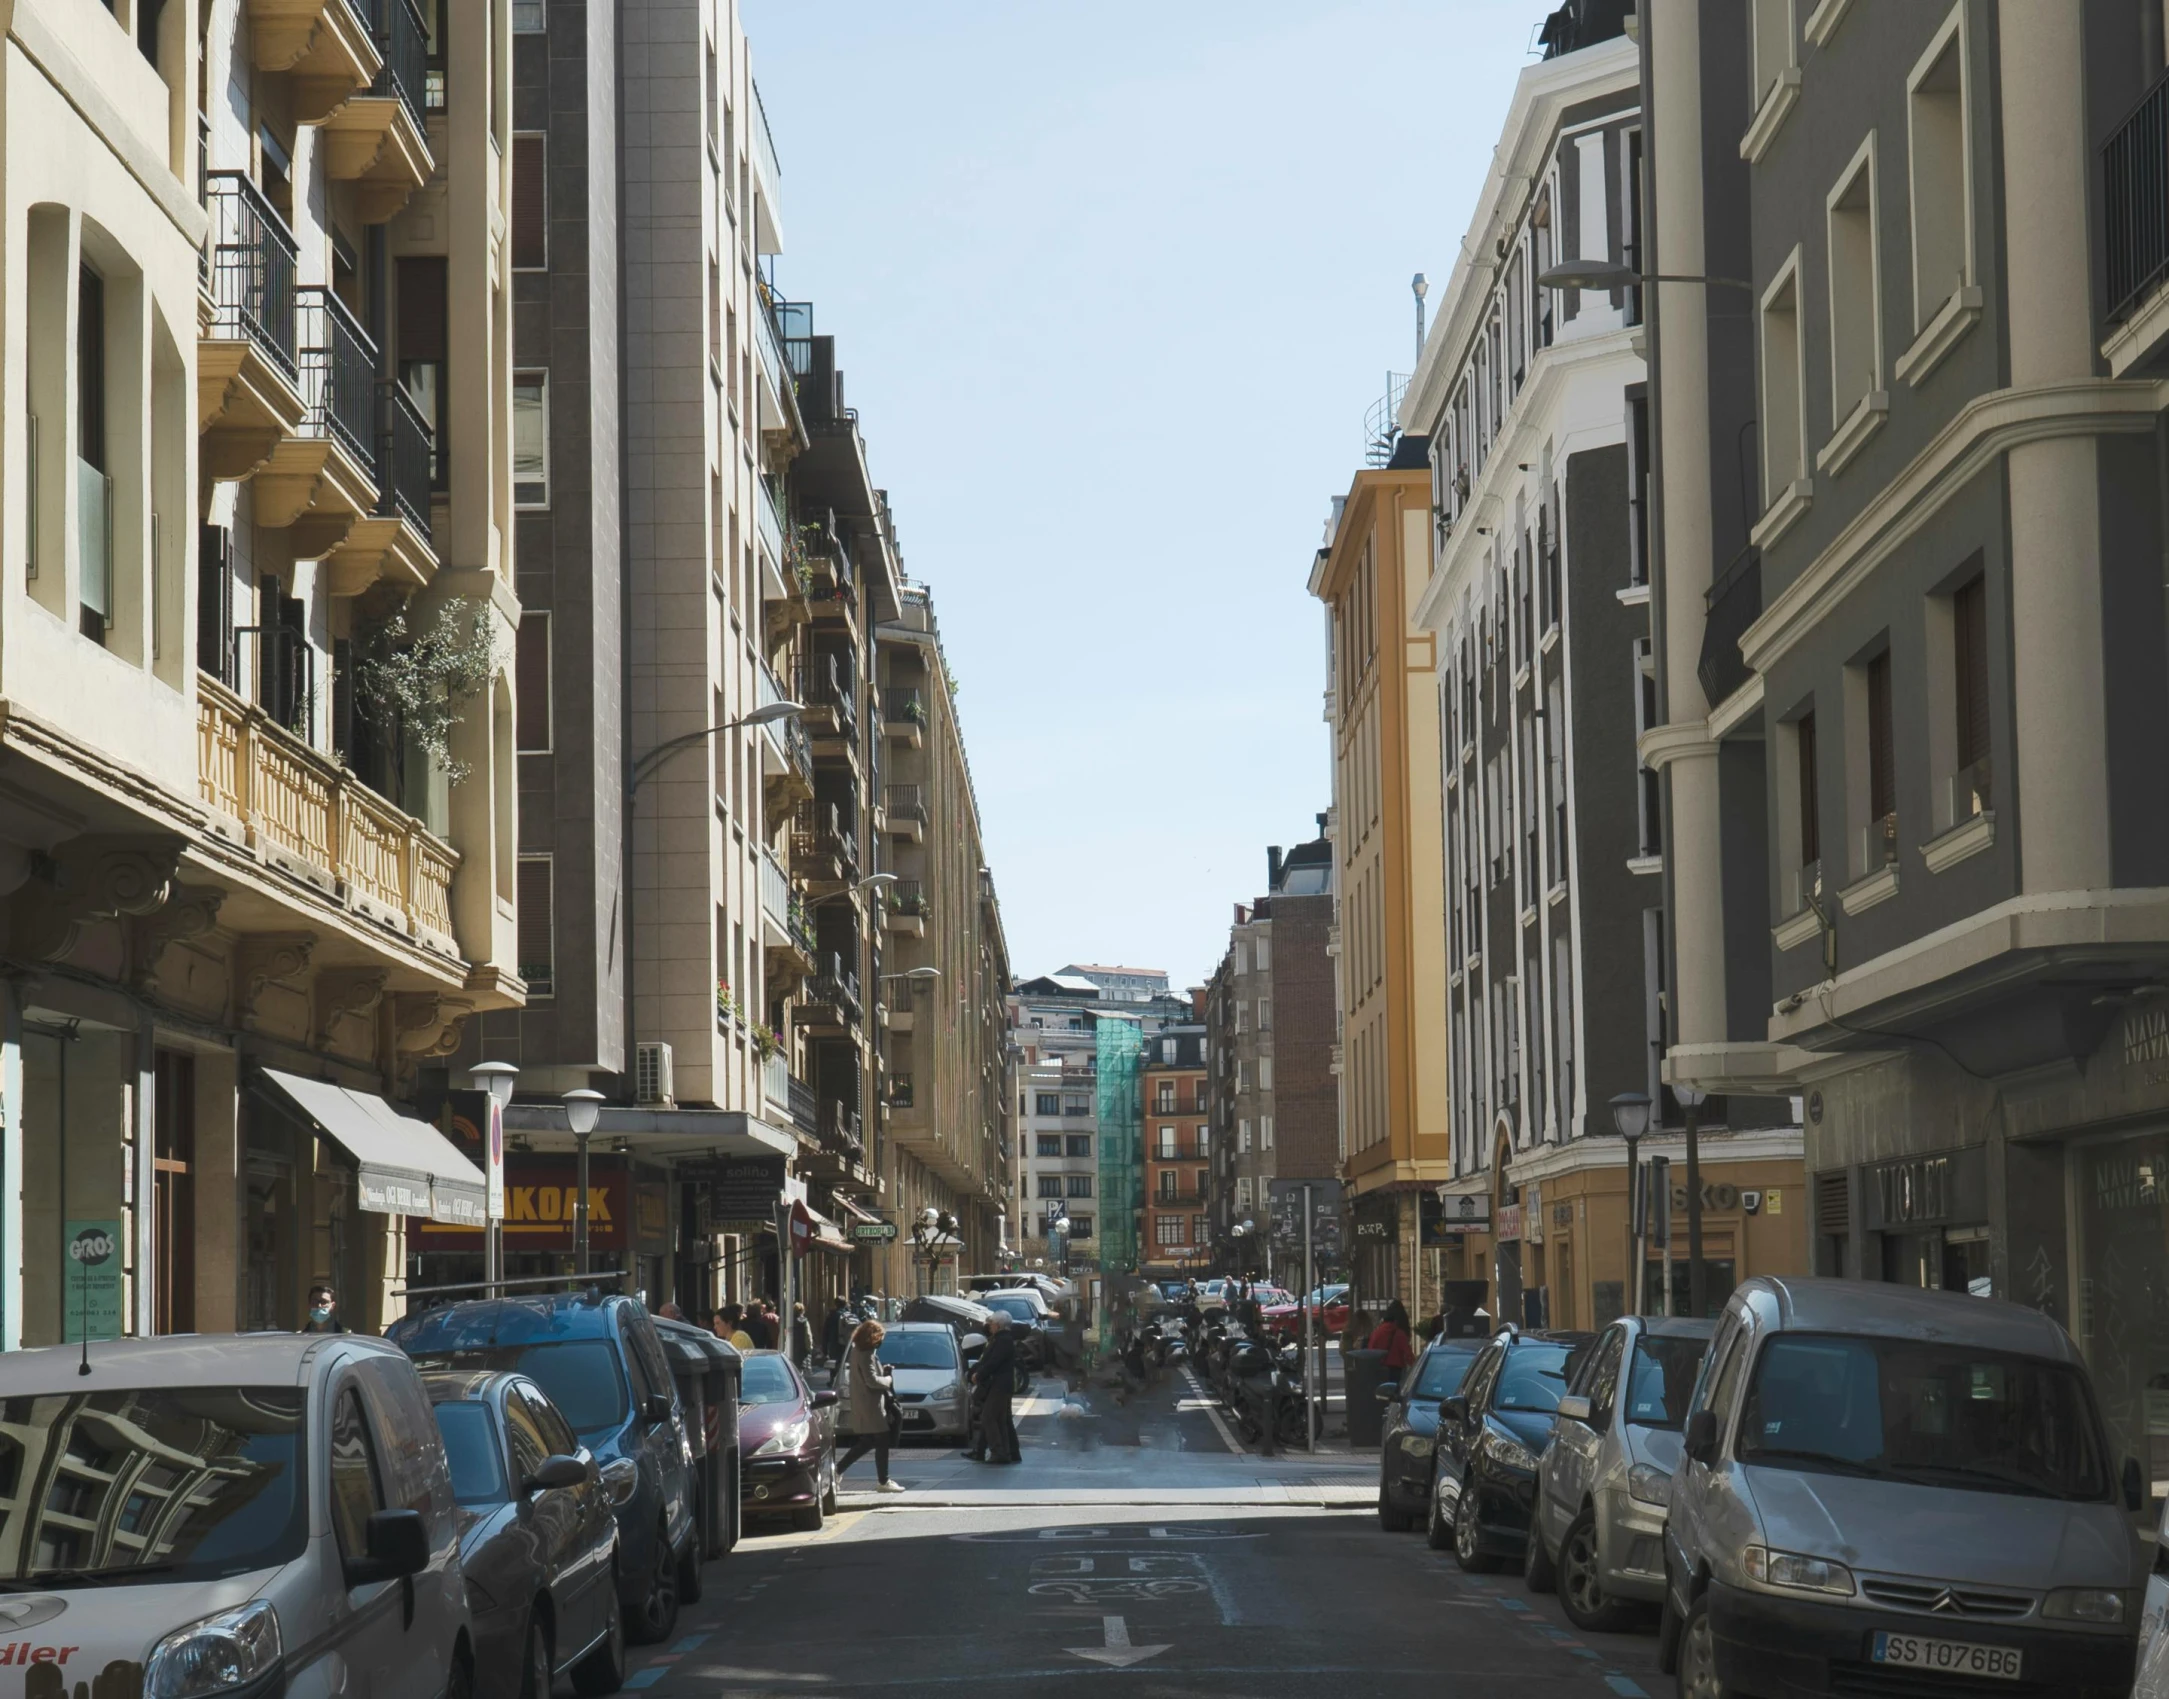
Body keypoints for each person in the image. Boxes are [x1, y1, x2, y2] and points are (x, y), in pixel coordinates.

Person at [835, 1320, 906, 1492]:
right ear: (872, 1337)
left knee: (867, 1442)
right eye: (880, 1337)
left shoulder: (858, 1350)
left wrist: (884, 1370)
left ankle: (837, 1471)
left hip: (865, 1404)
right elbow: (871, 1380)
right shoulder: (866, 1354)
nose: (881, 1341)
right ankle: (883, 1481)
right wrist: (888, 1380)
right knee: (881, 1440)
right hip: (871, 1405)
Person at [971, 1313, 1021, 1464]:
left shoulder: (1003, 1341)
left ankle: (998, 1452)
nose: (989, 1325)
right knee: (1001, 1419)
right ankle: (1006, 1452)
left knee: (989, 1416)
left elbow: (993, 1362)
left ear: (998, 1325)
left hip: (1000, 1385)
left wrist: (979, 1375)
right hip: (999, 1384)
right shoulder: (1000, 1339)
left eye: (991, 1323)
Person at [1367, 1299, 1416, 1374]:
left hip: (1379, 1369)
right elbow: (1408, 1355)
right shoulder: (1399, 1333)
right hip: (1396, 1370)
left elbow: (1371, 1349)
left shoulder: (1377, 1332)